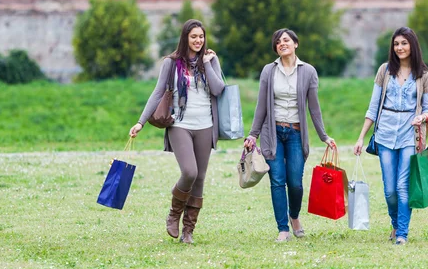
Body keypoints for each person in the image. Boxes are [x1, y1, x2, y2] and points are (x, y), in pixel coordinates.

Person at [129, 19, 225, 244]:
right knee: (189, 172)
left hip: (205, 125)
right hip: (180, 124)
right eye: (193, 37)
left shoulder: (211, 59)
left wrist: (208, 63)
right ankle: (174, 214)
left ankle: (188, 231)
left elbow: (219, 89)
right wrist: (141, 122)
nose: (198, 41)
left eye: (201, 36)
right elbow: (157, 92)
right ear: (185, 38)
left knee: (199, 179)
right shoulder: (171, 63)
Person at [244, 28, 336, 242]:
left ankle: (294, 216)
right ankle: (283, 229)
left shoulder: (308, 71)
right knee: (277, 180)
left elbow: (314, 107)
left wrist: (324, 136)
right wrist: (253, 134)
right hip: (272, 132)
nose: (282, 43)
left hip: (295, 132)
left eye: (286, 40)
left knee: (295, 182)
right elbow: (261, 106)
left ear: (296, 43)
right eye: (278, 42)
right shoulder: (268, 71)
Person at [353, 27, 428, 245]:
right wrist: (361, 137)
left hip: (410, 134)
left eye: (404, 43)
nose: (399, 47)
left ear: (412, 46)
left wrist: (422, 118)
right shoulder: (385, 71)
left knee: (402, 186)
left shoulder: (424, 75)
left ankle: (402, 234)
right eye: (396, 44)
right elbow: (372, 107)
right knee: (389, 190)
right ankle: (396, 223)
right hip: (385, 134)